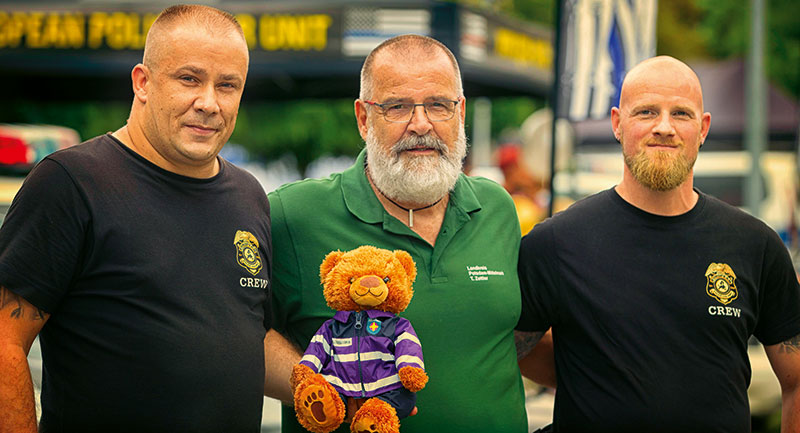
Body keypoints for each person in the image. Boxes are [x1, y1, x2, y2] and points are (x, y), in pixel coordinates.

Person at [0, 5, 271, 433]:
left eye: (228, 85)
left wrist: (335, 383)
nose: (209, 103)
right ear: (142, 82)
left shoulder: (250, 196)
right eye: (189, 79)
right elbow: (4, 343)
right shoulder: (71, 182)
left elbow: (248, 338)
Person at [263, 34, 553, 433]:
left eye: (438, 105)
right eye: (397, 106)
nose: (421, 124)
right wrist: (315, 385)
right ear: (364, 118)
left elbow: (508, 333)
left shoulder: (497, 208)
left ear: (460, 113)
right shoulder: (292, 214)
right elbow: (237, 333)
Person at [515, 56, 800, 432]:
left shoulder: (754, 243)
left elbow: (796, 378)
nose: (664, 127)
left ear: (704, 128)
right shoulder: (555, 243)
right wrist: (586, 375)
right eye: (646, 112)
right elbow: (509, 350)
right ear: (618, 123)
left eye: (681, 114)